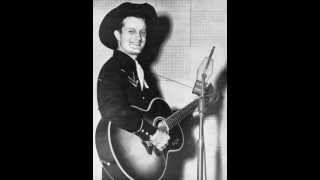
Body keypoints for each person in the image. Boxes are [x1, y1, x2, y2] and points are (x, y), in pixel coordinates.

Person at [97, 2, 170, 179]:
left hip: (138, 165)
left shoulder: (142, 73)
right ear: (117, 35)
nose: (138, 37)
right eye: (131, 31)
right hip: (122, 165)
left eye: (142, 32)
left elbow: (153, 114)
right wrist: (151, 133)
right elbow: (111, 109)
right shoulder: (113, 68)